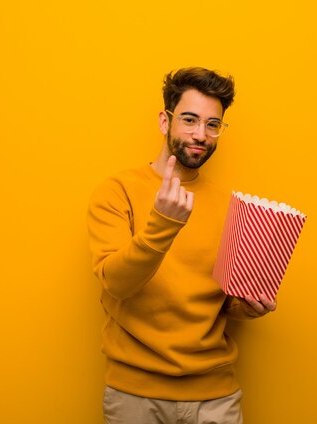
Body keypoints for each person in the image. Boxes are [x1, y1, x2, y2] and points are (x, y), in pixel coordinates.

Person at [87, 67, 277, 424]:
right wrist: (163, 222)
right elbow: (117, 283)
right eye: (189, 119)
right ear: (164, 120)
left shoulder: (229, 205)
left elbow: (221, 299)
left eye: (212, 124)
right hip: (135, 397)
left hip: (215, 396)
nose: (200, 134)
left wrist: (246, 306)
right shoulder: (116, 192)